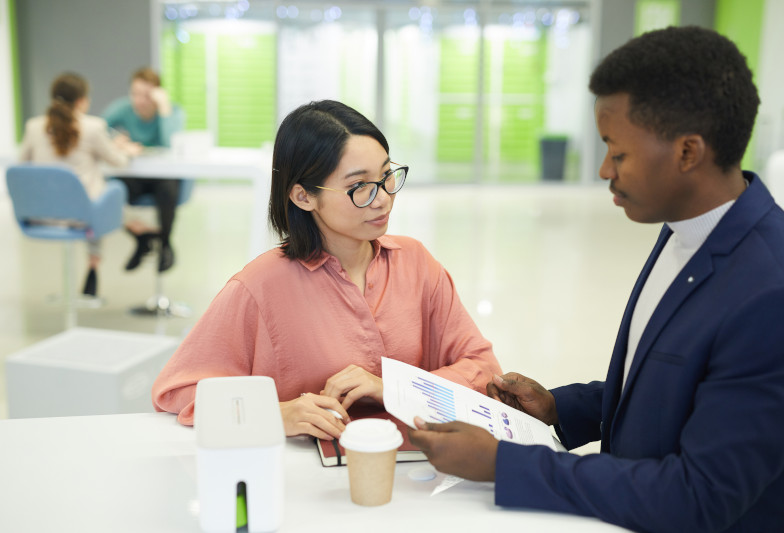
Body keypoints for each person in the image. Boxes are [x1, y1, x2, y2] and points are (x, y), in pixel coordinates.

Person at [409, 26, 784, 532]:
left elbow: (700, 495)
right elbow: (670, 385)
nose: (602, 170)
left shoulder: (775, 293)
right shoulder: (686, 229)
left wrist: (504, 465)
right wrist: (558, 408)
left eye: (618, 153)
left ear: (687, 153)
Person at [151, 100, 502, 439]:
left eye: (386, 175)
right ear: (303, 196)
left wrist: (393, 389)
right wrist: (275, 413)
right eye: (359, 186)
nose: (382, 198)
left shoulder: (415, 263)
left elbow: (484, 370)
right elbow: (178, 392)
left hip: (415, 472)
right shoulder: (258, 287)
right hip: (303, 483)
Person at [18, 72, 141, 297]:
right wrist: (126, 150)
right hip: (82, 219)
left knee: (92, 189)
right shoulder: (93, 127)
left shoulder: (34, 127)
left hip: (40, 216)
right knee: (106, 190)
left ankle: (138, 232)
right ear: (82, 101)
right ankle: (95, 264)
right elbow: (118, 162)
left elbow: (21, 166)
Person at [103, 67, 185, 273]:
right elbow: (99, 128)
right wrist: (116, 140)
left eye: (146, 95)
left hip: (163, 178)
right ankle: (141, 238)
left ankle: (165, 245)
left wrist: (164, 107)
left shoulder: (172, 111)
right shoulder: (122, 109)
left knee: (168, 189)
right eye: (135, 94)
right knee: (113, 189)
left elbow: (170, 143)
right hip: (136, 176)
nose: (139, 100)